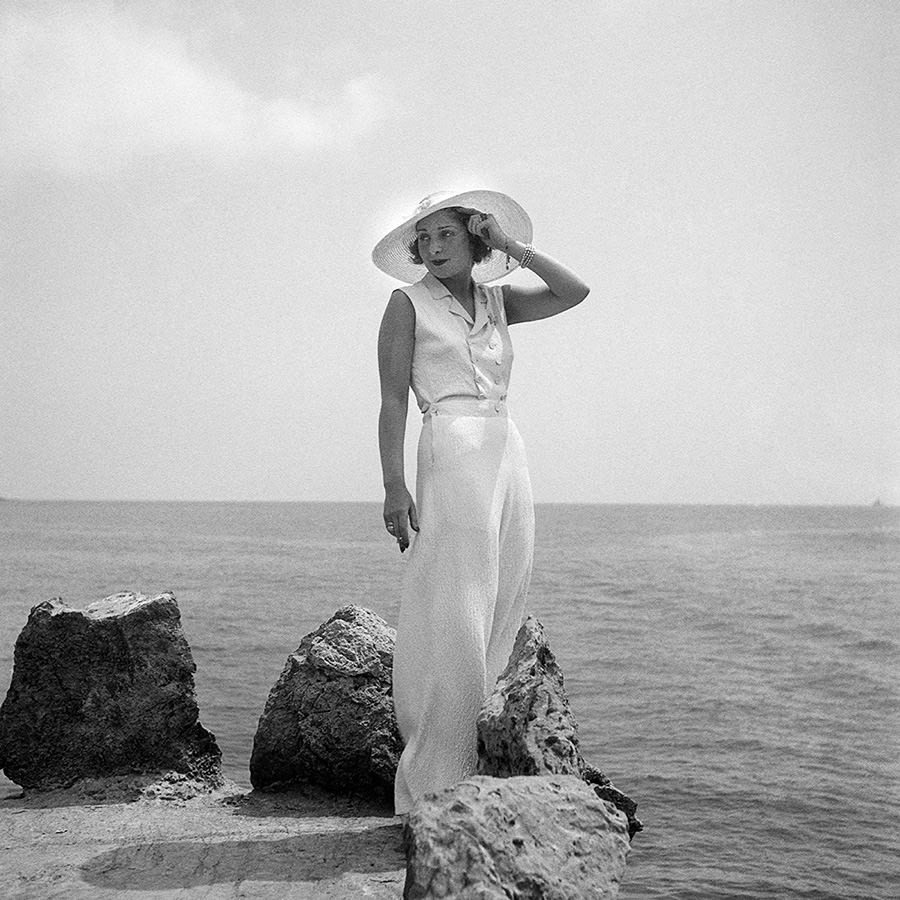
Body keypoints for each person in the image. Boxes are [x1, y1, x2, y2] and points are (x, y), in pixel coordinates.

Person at [372, 189, 589, 814]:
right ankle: (434, 781)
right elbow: (392, 401)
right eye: (424, 238)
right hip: (450, 441)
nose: (433, 247)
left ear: (475, 239)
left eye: (447, 234)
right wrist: (393, 486)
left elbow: (574, 291)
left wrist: (511, 246)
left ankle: (474, 755)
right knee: (459, 603)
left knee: (505, 592)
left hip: (504, 445)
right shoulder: (406, 304)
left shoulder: (498, 300)